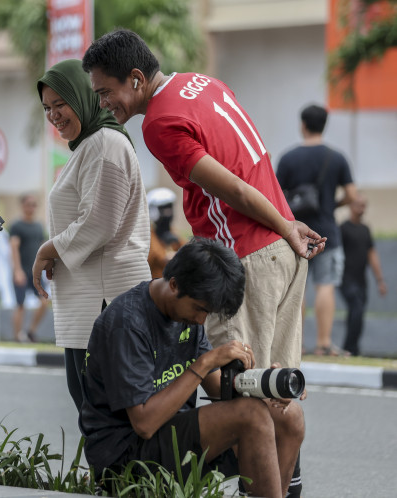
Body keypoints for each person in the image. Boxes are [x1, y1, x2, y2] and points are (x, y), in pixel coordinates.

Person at [81, 29, 325, 371]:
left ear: (136, 79)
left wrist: (286, 225)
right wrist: (285, 224)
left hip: (242, 259)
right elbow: (248, 162)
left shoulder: (159, 123)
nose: (103, 103)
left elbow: (235, 188)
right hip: (281, 249)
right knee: (278, 389)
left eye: (106, 92)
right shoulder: (202, 82)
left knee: (242, 395)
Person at [80, 238, 305, 498]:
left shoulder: (188, 315)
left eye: (208, 313)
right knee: (251, 415)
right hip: (126, 459)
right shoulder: (127, 323)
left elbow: (221, 390)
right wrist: (205, 362)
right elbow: (144, 423)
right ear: (174, 284)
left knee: (290, 416)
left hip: (170, 438)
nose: (201, 320)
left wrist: (266, 385)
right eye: (199, 309)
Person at [31, 59, 151, 412]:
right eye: (47, 108)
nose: (53, 115)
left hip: (105, 301)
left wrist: (48, 250)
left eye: (60, 104)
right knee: (95, 409)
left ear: (82, 97)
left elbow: (98, 222)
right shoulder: (90, 145)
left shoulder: (104, 143)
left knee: (104, 412)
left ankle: (117, 472)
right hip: (90, 303)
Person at [277, 104, 358, 357]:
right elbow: (353, 196)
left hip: (295, 235)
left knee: (297, 288)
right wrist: (332, 204)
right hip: (328, 234)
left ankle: (296, 345)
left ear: (303, 125)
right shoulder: (337, 157)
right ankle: (323, 344)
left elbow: (276, 196)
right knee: (326, 286)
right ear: (324, 125)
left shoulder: (288, 158)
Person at [339, 196, 388, 356]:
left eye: (364, 205)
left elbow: (372, 254)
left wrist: (379, 280)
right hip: (345, 279)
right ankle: (349, 348)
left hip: (361, 280)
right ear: (351, 206)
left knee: (357, 313)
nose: (362, 208)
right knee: (356, 307)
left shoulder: (365, 229)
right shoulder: (343, 228)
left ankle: (353, 348)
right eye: (359, 205)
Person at [8, 193, 48, 342]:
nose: (31, 207)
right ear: (23, 206)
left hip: (35, 272)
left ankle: (31, 331)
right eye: (29, 204)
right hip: (21, 271)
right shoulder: (16, 226)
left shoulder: (39, 226)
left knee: (44, 301)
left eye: (34, 204)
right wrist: (17, 270)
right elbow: (13, 247)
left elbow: (43, 247)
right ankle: (18, 336)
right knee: (20, 305)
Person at [145, 187, 185, 278]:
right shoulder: (148, 236)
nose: (168, 213)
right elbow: (152, 258)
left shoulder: (174, 233)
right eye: (163, 210)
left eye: (170, 209)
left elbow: (188, 252)